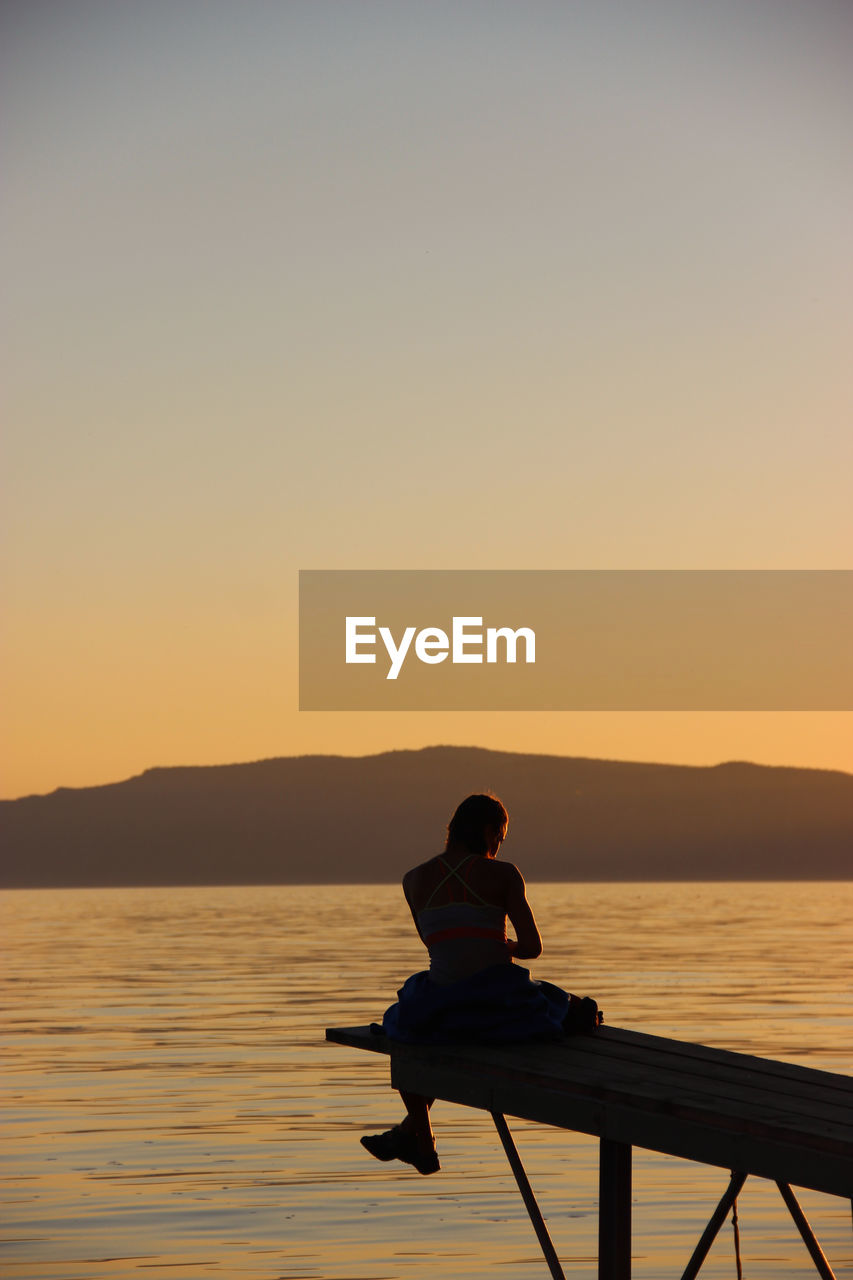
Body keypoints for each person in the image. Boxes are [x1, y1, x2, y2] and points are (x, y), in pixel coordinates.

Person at [360, 793, 600, 1175]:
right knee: (578, 1011)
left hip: (440, 1003)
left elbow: (437, 942)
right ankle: (413, 1138)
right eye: (499, 838)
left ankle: (419, 1138)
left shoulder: (413, 881)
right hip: (498, 1003)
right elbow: (533, 948)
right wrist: (504, 945)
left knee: (409, 1029)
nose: (498, 846)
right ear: (487, 831)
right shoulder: (503, 874)